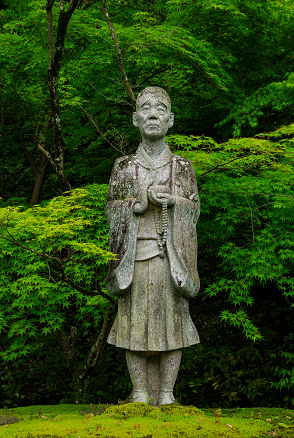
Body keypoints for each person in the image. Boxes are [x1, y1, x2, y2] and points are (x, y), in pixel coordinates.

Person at [105, 86, 200, 406]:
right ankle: (140, 393)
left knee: (173, 324)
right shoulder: (124, 166)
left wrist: (174, 202)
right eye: (145, 108)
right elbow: (112, 209)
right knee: (133, 325)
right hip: (136, 256)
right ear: (135, 118)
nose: (153, 114)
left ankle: (168, 394)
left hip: (170, 258)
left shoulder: (182, 167)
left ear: (171, 120)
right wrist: (137, 204)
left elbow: (194, 210)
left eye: (161, 109)